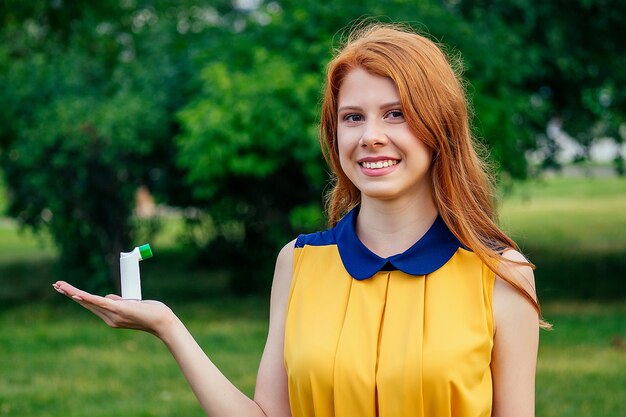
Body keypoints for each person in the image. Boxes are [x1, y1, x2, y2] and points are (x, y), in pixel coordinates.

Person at [53, 23, 543, 417]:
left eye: (396, 114)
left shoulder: (500, 275)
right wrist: (168, 326)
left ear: (440, 128)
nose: (370, 136)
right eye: (353, 117)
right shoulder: (299, 263)